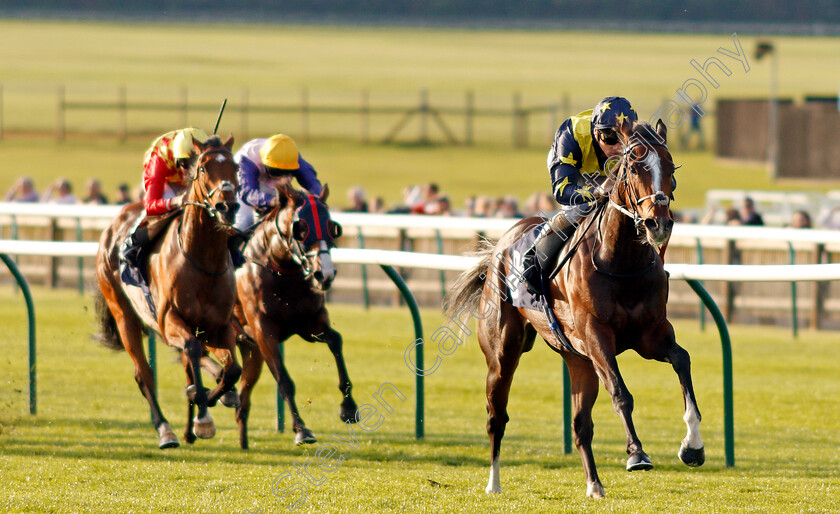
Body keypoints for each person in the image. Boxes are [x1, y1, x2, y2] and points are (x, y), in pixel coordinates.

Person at [521, 96, 639, 294]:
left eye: (623, 138)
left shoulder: (637, 138)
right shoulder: (571, 135)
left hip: (610, 171)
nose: (618, 147)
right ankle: (533, 255)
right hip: (577, 169)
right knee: (579, 209)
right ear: (595, 133)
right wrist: (596, 191)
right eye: (610, 138)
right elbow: (562, 191)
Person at [119, 127, 210, 275]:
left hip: (194, 176)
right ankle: (133, 244)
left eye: (194, 165)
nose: (189, 170)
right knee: (167, 212)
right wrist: (175, 201)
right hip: (166, 181)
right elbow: (150, 206)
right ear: (176, 159)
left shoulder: (205, 157)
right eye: (185, 164)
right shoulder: (158, 162)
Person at [234, 134, 322, 232]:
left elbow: (312, 183)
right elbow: (248, 193)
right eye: (275, 171)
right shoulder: (248, 160)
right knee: (245, 222)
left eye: (285, 172)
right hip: (244, 186)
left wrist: (317, 197)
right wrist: (272, 201)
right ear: (264, 162)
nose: (279, 177)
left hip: (273, 186)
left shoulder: (291, 157)